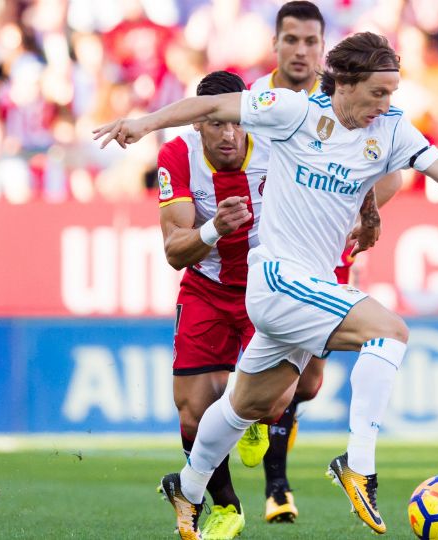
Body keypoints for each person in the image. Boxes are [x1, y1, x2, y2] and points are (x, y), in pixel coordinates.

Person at [95, 31, 438, 538]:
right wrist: (144, 123)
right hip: (275, 278)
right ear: (347, 84)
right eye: (378, 92)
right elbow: (210, 102)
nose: (387, 103)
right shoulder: (293, 112)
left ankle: (189, 485)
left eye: (393, 92)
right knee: (391, 332)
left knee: (243, 406)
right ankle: (359, 465)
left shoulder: (393, 129)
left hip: (303, 289)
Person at [231, 1, 403, 525]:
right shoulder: (261, 100)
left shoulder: (351, 101)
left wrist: (369, 208)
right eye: (292, 40)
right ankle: (276, 487)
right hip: (263, 246)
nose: (302, 51)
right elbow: (218, 148)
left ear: (324, 49)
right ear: (276, 45)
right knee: (266, 371)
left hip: (324, 247)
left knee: (305, 383)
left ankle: (258, 417)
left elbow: (387, 167)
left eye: (311, 42)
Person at [157, 70, 258, 540]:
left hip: (269, 285)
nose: (229, 133)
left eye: (236, 121)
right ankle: (226, 506)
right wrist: (215, 228)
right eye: (216, 123)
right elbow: (175, 251)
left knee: (270, 401)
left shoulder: (278, 141)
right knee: (192, 412)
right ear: (198, 123)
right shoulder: (177, 156)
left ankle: (255, 414)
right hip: (207, 285)